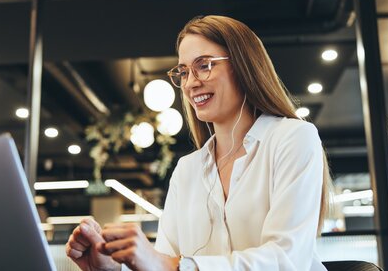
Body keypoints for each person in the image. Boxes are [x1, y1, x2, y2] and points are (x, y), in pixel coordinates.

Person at [66, 15, 330, 271]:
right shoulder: (187, 169)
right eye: (183, 71)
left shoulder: (293, 138)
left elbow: (287, 260)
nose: (191, 83)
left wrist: (178, 265)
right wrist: (113, 267)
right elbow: (163, 264)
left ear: (243, 66)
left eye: (204, 65)